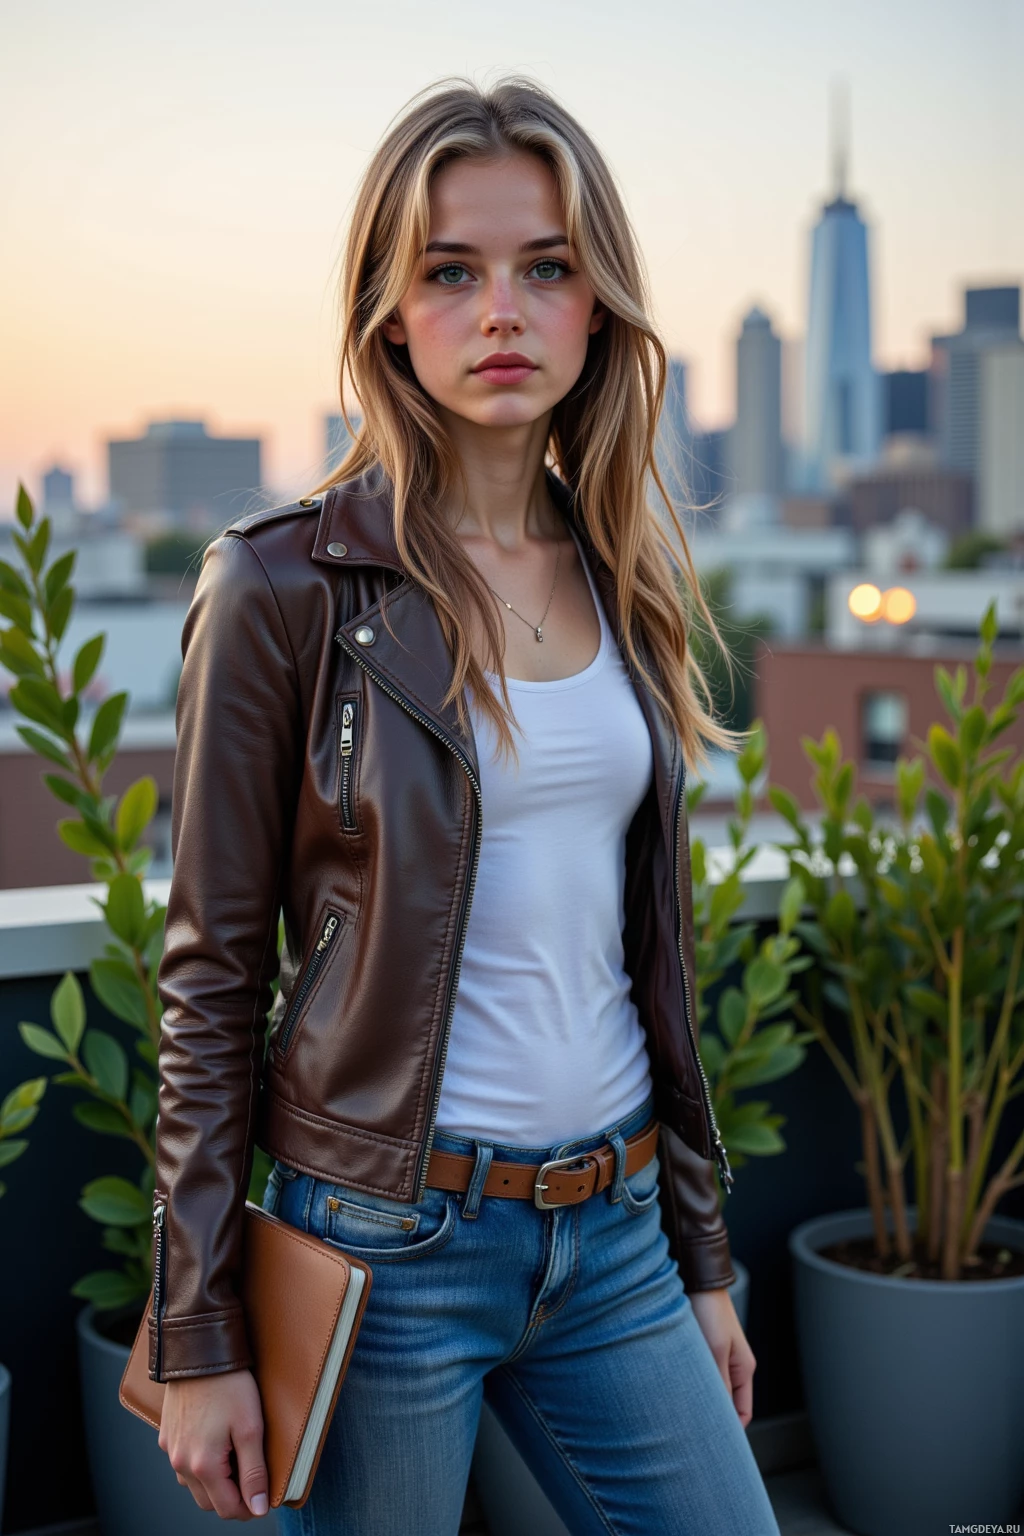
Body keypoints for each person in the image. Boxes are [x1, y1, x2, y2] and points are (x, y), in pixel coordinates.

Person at [151, 75, 781, 1535]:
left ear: (598, 305)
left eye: (546, 267)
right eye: (452, 270)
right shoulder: (282, 588)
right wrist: (198, 1335)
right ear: (389, 314)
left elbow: (650, 953)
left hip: (614, 1235)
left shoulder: (629, 583)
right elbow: (210, 978)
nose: (503, 310)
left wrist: (700, 1254)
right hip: (383, 1245)